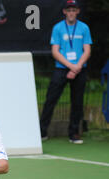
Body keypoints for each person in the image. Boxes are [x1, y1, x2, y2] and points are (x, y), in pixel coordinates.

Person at [39, 0, 92, 144]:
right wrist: (70, 66)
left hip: (79, 69)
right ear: (64, 12)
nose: (71, 13)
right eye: (69, 10)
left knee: (77, 102)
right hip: (61, 68)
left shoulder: (84, 28)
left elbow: (87, 50)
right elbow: (55, 51)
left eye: (74, 10)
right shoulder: (58, 28)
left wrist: (77, 67)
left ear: (77, 12)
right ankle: (42, 132)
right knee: (51, 99)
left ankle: (74, 133)